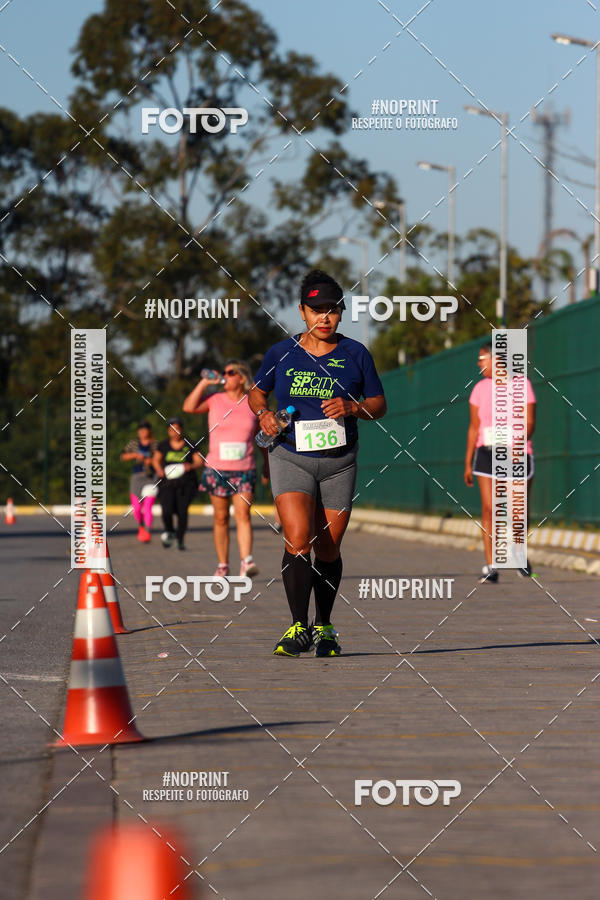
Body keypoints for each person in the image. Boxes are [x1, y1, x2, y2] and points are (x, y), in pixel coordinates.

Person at [248, 269, 387, 658]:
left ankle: (324, 626)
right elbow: (256, 395)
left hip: (339, 461)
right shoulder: (282, 353)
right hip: (291, 455)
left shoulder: (356, 353)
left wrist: (352, 407)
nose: (324, 317)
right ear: (302, 312)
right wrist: (264, 416)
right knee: (297, 537)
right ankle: (297, 627)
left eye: (332, 310)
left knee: (328, 547)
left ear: (341, 313)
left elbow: (379, 406)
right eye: (316, 310)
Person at [183, 360, 264, 578]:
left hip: (244, 468)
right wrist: (204, 383)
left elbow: (261, 436)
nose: (225, 376)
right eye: (224, 373)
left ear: (242, 378)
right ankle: (223, 565)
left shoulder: (252, 403)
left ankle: (246, 561)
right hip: (217, 468)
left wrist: (265, 466)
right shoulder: (214, 399)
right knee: (220, 518)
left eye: (230, 373)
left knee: (243, 514)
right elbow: (189, 407)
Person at [464, 341, 536, 583]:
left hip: (517, 453)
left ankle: (518, 551)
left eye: (482, 359)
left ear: (497, 360)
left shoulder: (523, 385)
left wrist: (516, 444)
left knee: (516, 510)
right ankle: (491, 564)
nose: (478, 364)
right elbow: (474, 427)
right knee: (490, 508)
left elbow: (530, 422)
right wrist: (467, 462)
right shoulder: (479, 389)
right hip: (486, 454)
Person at [152, 418, 203, 550]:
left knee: (182, 513)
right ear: (168, 431)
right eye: (171, 429)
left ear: (181, 429)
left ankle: (180, 539)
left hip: (185, 485)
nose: (175, 432)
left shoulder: (189, 444)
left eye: (177, 429)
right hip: (167, 484)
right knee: (166, 510)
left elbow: (199, 461)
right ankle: (169, 531)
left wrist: (190, 466)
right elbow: (156, 460)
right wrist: (159, 470)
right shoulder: (163, 445)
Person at [121, 421, 158, 542]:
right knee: (136, 507)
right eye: (140, 429)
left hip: (151, 477)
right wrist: (135, 455)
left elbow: (161, 460)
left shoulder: (156, 444)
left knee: (147, 506)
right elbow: (122, 456)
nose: (142, 432)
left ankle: (147, 531)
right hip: (137, 477)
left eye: (145, 429)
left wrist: (150, 461)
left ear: (149, 431)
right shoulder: (133, 443)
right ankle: (141, 526)